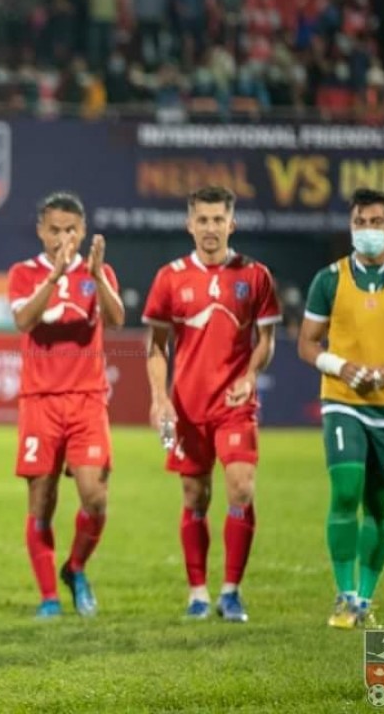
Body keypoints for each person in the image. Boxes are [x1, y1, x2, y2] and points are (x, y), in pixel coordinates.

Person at [297, 189, 384, 629]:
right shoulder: (329, 280)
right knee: (346, 490)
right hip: (344, 400)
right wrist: (341, 366)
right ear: (351, 227)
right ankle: (344, 596)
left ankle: (365, 601)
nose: (369, 230)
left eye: (377, 222)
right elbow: (306, 342)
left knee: (380, 507)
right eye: (361, 222)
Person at [143, 186, 281, 623]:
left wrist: (250, 374)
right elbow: (156, 347)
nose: (209, 228)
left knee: (241, 486)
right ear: (190, 224)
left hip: (235, 404)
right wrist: (159, 397)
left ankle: (231, 591)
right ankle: (198, 592)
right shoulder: (170, 277)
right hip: (187, 406)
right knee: (195, 494)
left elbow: (267, 342)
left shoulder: (255, 275)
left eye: (218, 219)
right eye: (202, 219)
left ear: (231, 223)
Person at [7, 192, 124, 618]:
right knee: (41, 500)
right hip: (40, 401)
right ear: (41, 230)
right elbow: (23, 320)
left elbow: (115, 318)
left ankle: (75, 568)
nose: (62, 238)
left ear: (83, 231)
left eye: (71, 230)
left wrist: (97, 275)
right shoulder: (24, 273)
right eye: (54, 229)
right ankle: (49, 598)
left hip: (87, 400)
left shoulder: (98, 272)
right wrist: (55, 277)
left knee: (95, 497)